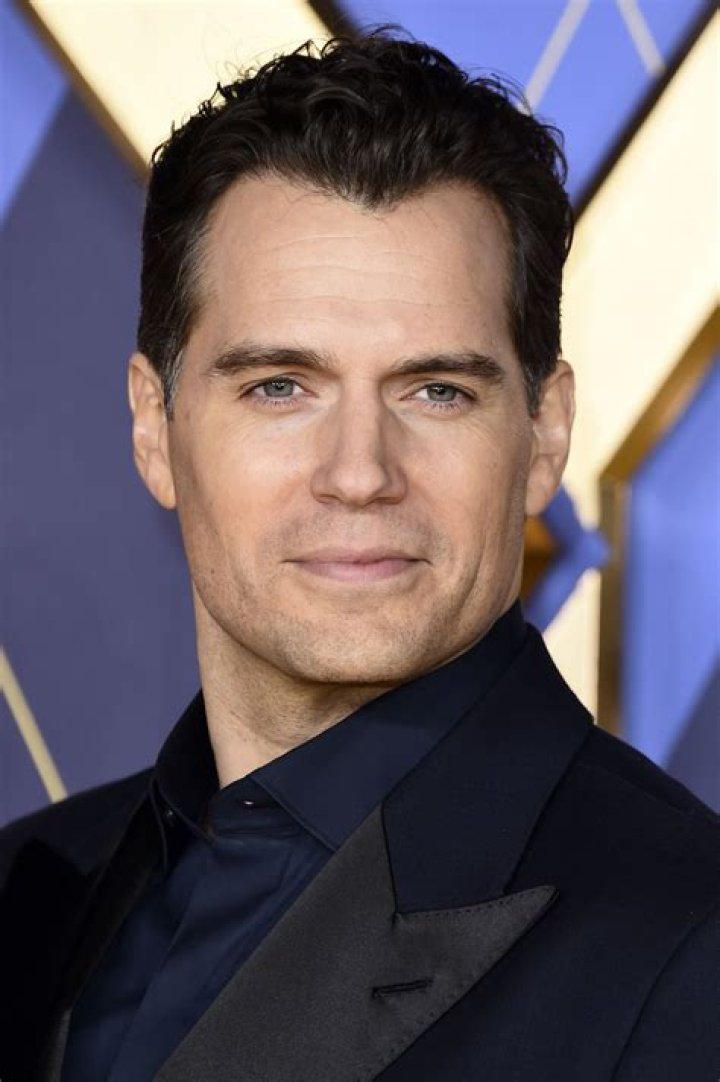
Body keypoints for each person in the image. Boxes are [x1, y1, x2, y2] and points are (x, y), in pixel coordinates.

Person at [1, 31, 718, 1082]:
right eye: (279, 387)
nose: (359, 473)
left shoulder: (693, 946)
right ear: (154, 426)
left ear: (544, 435)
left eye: (437, 391)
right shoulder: (25, 893)